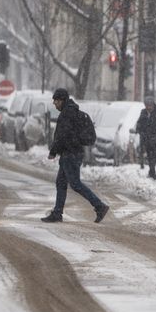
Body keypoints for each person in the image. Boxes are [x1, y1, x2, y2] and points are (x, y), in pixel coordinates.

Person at [41, 88, 109, 223]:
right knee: (61, 182)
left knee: (76, 184)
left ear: (62, 100)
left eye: (56, 101)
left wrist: (53, 151)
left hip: (70, 154)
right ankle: (57, 213)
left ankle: (99, 205)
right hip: (72, 152)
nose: (54, 104)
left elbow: (61, 136)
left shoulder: (67, 114)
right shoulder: (72, 111)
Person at [135, 95, 156, 180]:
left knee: (153, 154)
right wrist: (139, 130)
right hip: (146, 138)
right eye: (147, 106)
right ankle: (151, 171)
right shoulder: (143, 112)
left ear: (153, 105)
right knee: (150, 156)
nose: (148, 108)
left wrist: (155, 128)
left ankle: (152, 172)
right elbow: (139, 123)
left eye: (150, 106)